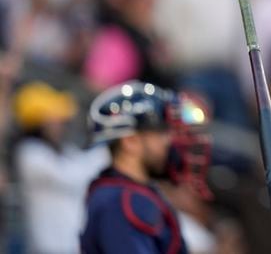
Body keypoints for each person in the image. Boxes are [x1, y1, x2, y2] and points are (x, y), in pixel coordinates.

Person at [80, 81, 212, 254]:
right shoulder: (122, 201)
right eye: (160, 132)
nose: (168, 141)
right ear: (130, 141)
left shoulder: (127, 193)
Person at [12, 81, 109, 253]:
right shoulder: (30, 154)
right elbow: (73, 177)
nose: (60, 125)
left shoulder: (64, 151)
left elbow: (84, 165)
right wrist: (106, 148)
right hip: (48, 247)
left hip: (74, 245)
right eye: (54, 120)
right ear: (38, 122)